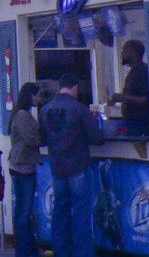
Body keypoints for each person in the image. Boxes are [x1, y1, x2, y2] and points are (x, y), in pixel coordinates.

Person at [39, 73, 104, 257]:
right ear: (75, 87)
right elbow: (97, 138)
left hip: (57, 167)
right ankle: (82, 253)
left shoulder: (45, 109)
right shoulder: (79, 108)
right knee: (81, 214)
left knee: (59, 212)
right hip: (78, 166)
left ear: (60, 86)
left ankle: (61, 251)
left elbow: (41, 140)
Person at [8, 82, 41, 257]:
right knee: (24, 211)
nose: (39, 99)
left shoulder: (20, 114)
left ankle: (26, 248)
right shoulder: (23, 115)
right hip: (23, 166)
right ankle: (23, 250)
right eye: (37, 95)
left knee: (23, 209)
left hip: (20, 165)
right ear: (30, 95)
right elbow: (31, 139)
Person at [108, 40, 149, 138]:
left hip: (140, 124)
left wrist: (124, 97)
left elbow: (146, 99)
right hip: (130, 122)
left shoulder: (143, 71)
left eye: (124, 50)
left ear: (134, 53)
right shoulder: (132, 72)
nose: (122, 53)